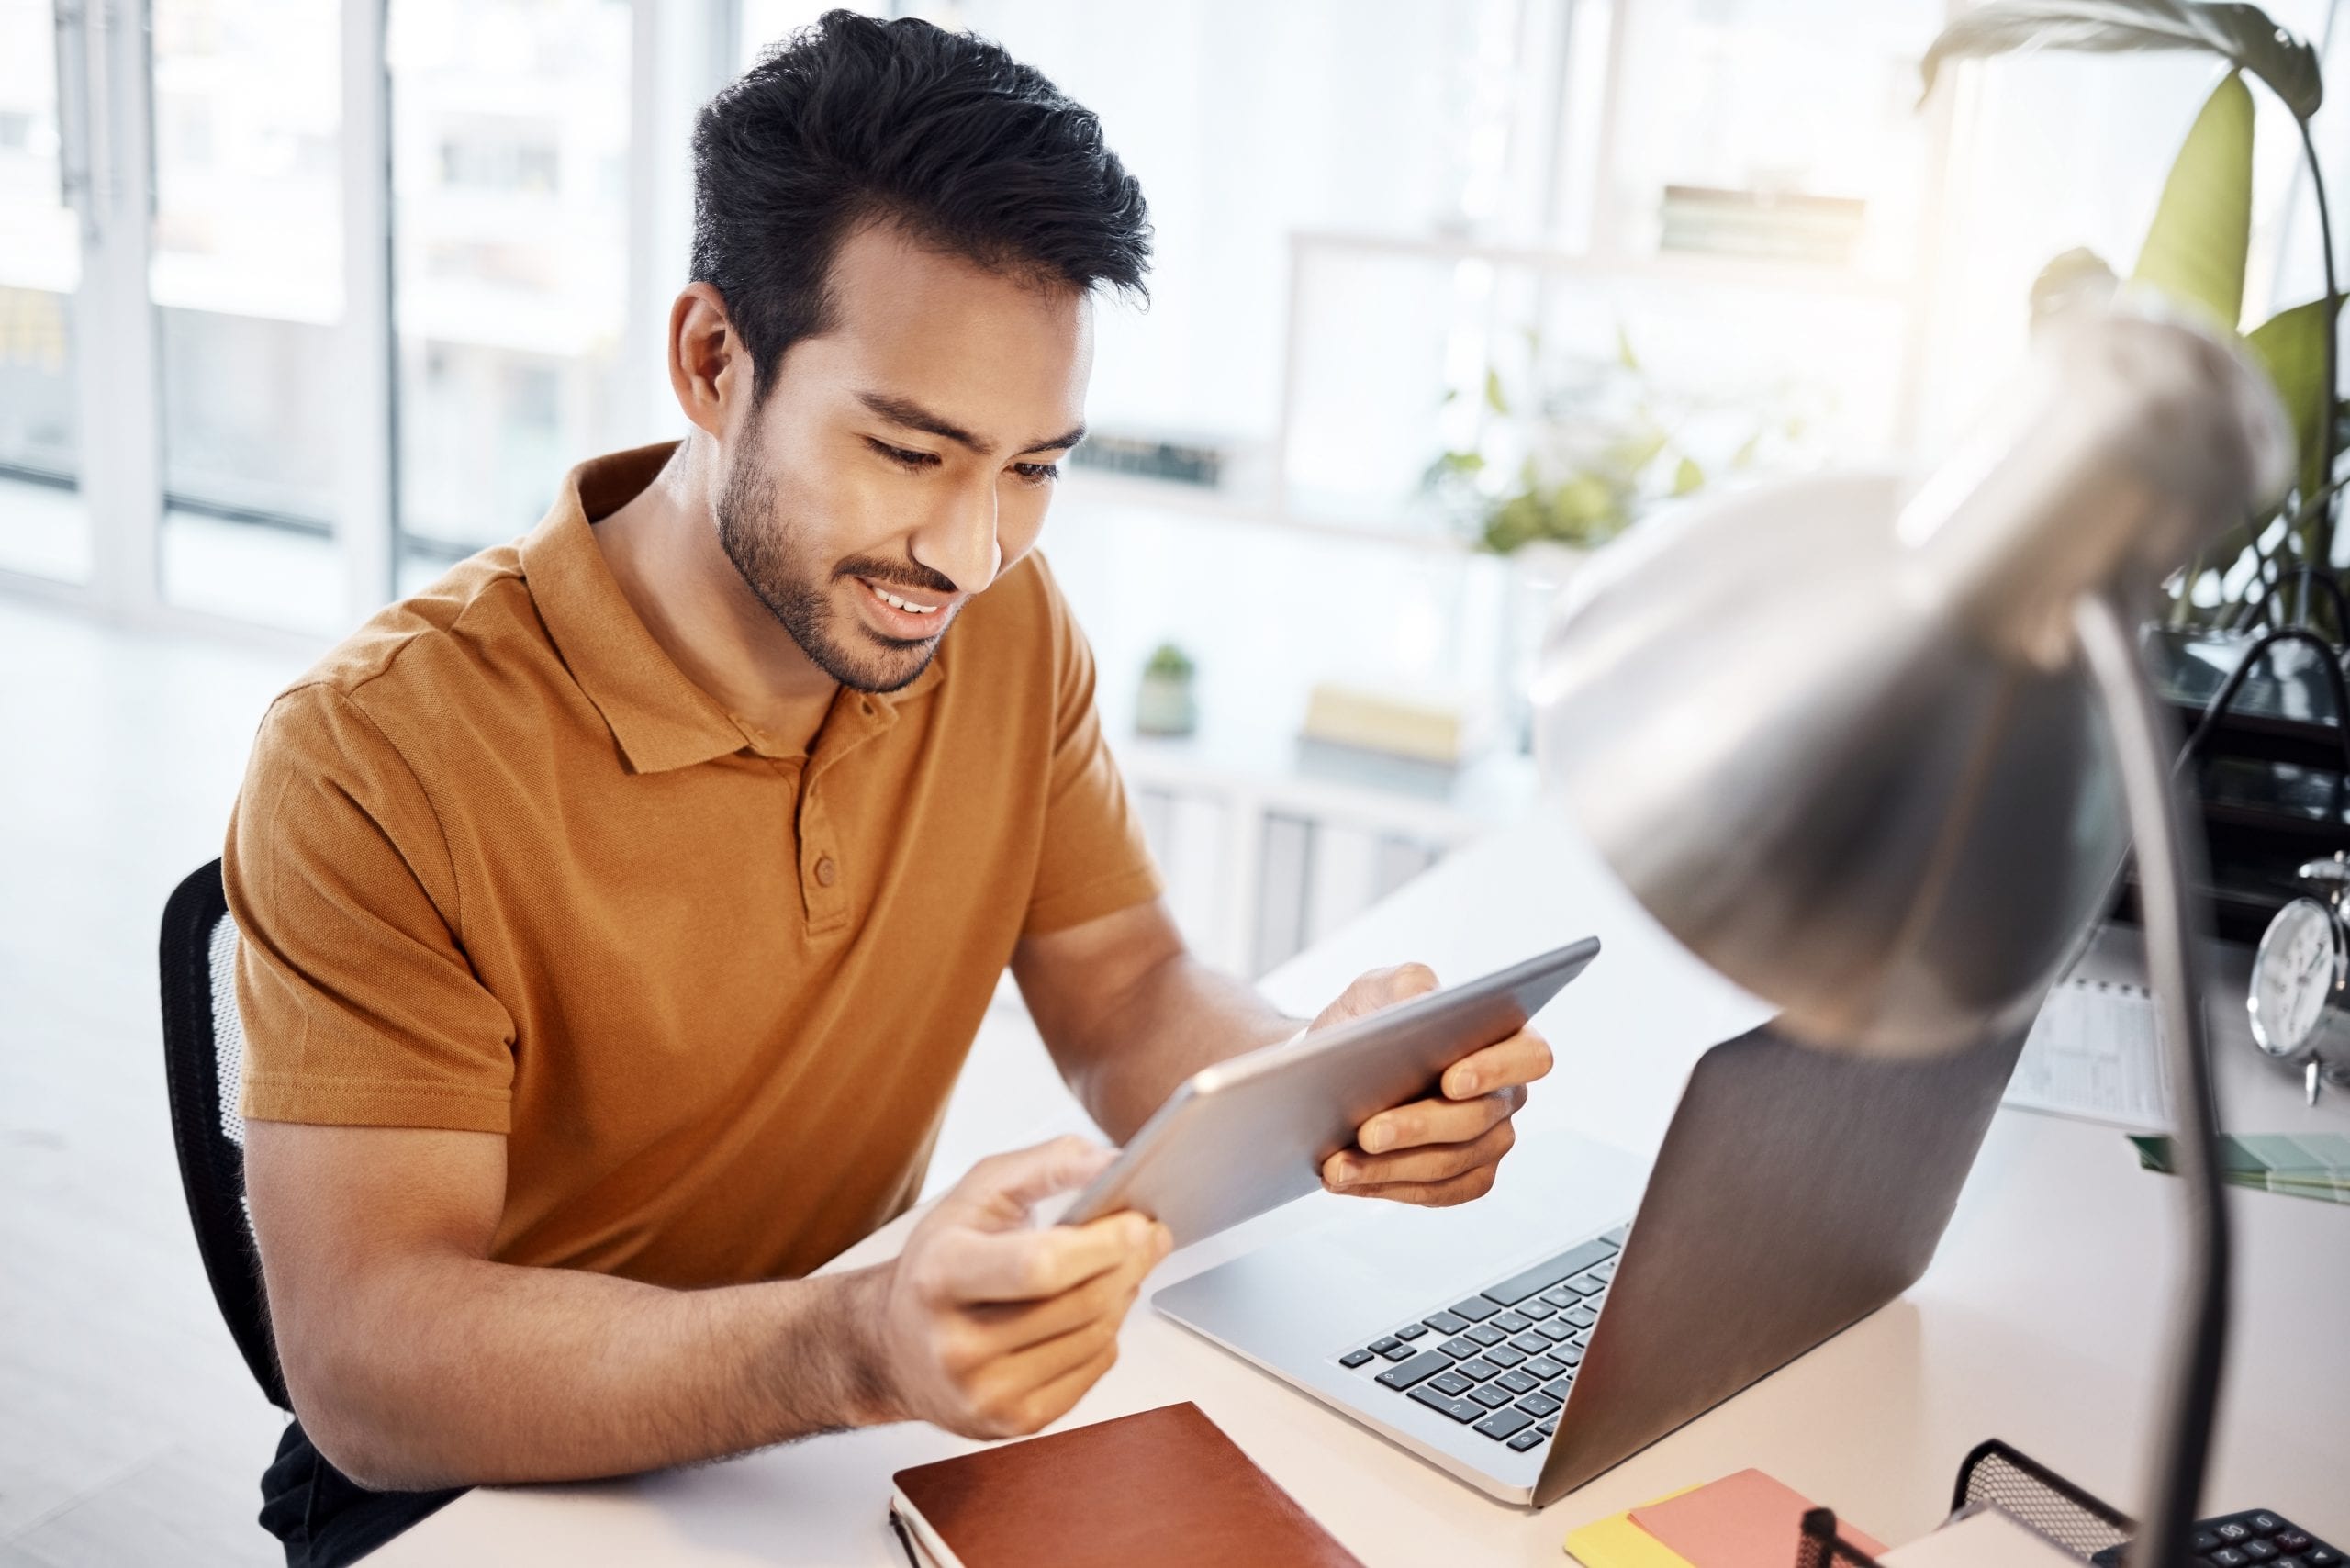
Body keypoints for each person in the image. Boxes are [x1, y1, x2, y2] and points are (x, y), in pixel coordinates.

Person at [228, 13, 1551, 1565]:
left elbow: (1125, 996)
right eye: (911, 451)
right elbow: (369, 1366)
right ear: (714, 361)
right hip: (479, 1499)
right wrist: (852, 1346)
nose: (970, 550)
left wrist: (1329, 1088)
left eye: (1033, 466)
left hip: (824, 1448)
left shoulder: (999, 632)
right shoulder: (377, 752)